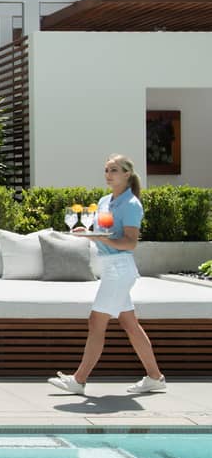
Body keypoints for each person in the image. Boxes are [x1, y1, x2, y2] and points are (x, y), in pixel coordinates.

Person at [48, 154, 166, 396]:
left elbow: (130, 243)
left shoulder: (131, 205)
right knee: (130, 324)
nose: (108, 174)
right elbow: (106, 232)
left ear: (126, 174)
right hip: (110, 267)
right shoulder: (104, 202)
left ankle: (79, 380)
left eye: (114, 170)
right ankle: (155, 377)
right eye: (106, 170)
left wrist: (99, 237)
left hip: (120, 269)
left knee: (96, 322)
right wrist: (87, 232)